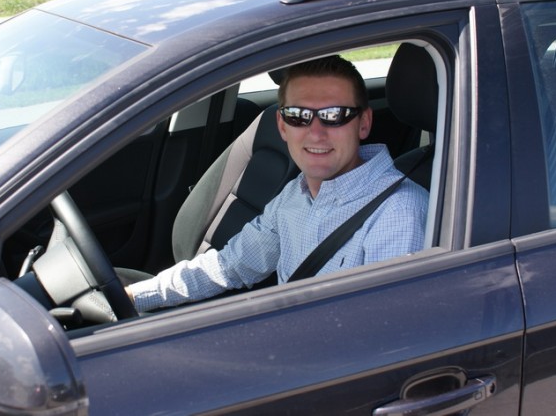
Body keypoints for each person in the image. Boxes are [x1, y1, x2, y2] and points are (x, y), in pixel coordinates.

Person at [126, 55, 429, 312]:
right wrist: (133, 297)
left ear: (363, 123)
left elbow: (379, 335)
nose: (316, 133)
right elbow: (231, 265)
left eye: (334, 115)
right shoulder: (295, 193)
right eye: (298, 116)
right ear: (282, 126)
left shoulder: (398, 213)